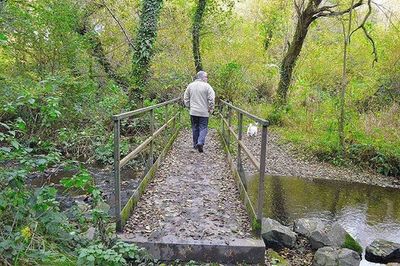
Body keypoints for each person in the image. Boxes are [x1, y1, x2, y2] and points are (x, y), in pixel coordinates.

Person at [183, 71, 215, 153]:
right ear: (202, 77)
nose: (207, 79)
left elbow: (186, 97)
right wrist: (210, 108)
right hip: (204, 112)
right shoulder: (207, 86)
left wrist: (189, 106)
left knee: (195, 127)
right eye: (206, 77)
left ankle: (195, 145)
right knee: (203, 127)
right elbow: (212, 99)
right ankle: (200, 142)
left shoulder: (190, 86)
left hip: (193, 111)